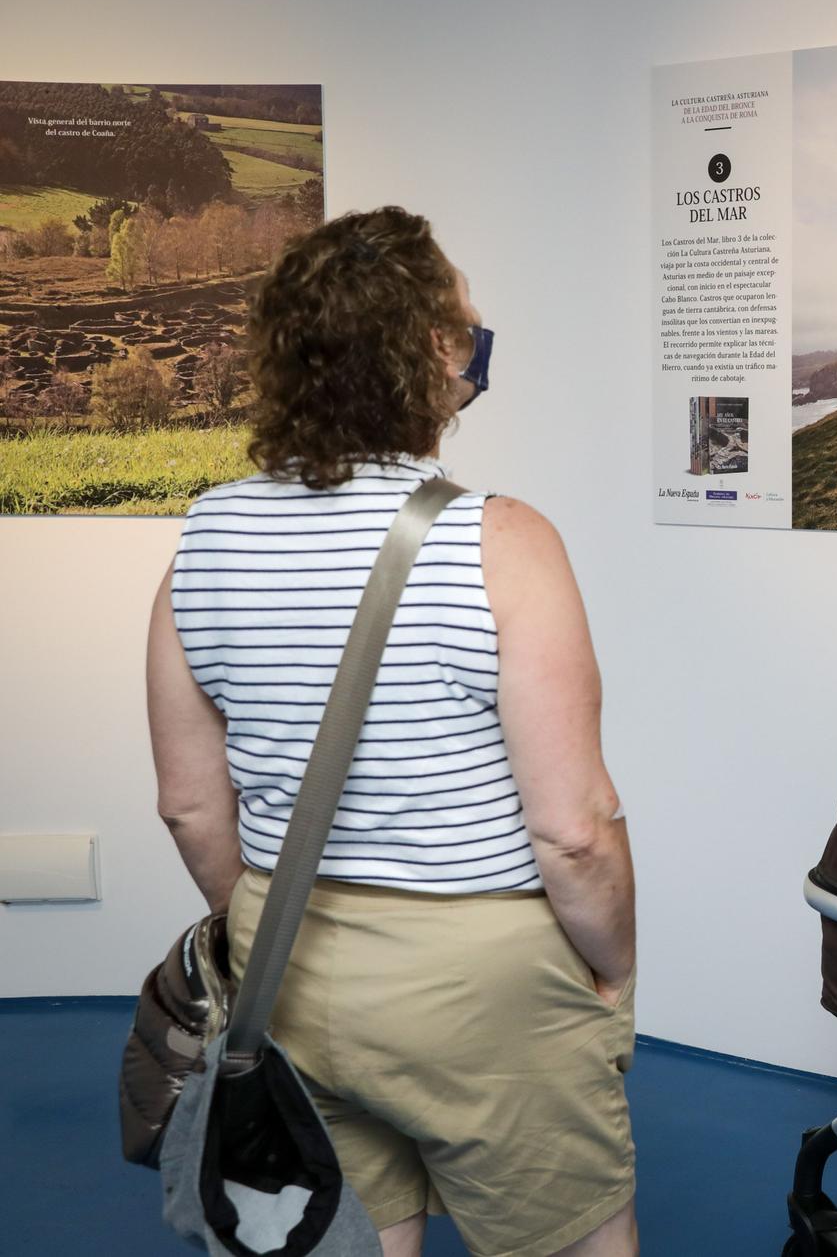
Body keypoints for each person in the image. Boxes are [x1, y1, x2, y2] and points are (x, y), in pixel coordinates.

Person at [146, 206, 641, 1257]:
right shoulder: (500, 538)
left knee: (353, 1233)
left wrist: (265, 924)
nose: (478, 338)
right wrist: (612, 963)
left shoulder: (206, 539)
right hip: (481, 975)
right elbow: (576, 828)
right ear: (430, 351)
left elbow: (190, 806)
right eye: (464, 320)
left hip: (289, 963)